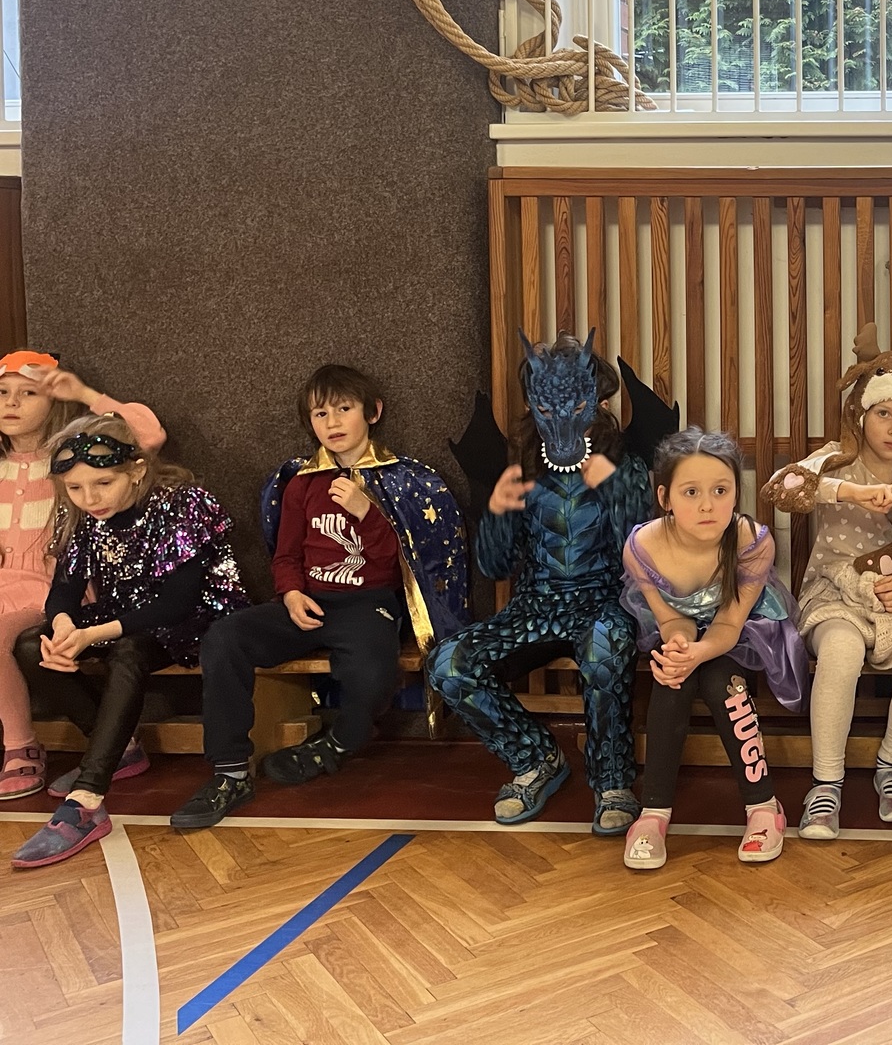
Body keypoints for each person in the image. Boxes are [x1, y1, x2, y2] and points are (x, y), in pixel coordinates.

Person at [170, 364, 470, 830]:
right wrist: (290, 593)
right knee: (225, 638)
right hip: (308, 601)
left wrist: (367, 512)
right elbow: (286, 554)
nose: (332, 423)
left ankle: (338, 744)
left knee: (372, 671)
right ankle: (230, 773)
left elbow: (404, 561)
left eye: (344, 409)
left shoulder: (399, 480)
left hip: (368, 602)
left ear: (373, 412)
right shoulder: (301, 483)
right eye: (320, 414)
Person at [426, 332, 670, 833]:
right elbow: (495, 566)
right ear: (533, 407)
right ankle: (535, 759)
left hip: (604, 602)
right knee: (448, 662)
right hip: (534, 606)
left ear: (597, 402)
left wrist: (616, 490)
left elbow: (644, 556)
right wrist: (497, 514)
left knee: (605, 646)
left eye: (575, 406)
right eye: (546, 408)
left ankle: (612, 780)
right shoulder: (521, 471)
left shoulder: (623, 465)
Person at [11, 414, 247, 867]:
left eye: (103, 484)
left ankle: (86, 800)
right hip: (122, 614)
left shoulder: (183, 503)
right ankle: (123, 751)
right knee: (30, 645)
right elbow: (65, 587)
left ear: (136, 470)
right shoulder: (84, 516)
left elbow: (178, 602)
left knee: (129, 651)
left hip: (196, 618)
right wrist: (62, 625)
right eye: (75, 488)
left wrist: (92, 633)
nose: (89, 499)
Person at [762, 325, 892, 841]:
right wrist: (849, 492)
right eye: (883, 413)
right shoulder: (836, 459)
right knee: (842, 653)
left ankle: (891, 766)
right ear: (861, 413)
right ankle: (826, 782)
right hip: (835, 594)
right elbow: (780, 489)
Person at [622, 429, 804, 869]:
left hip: (742, 630)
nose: (707, 505)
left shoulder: (751, 541)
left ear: (736, 493)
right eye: (691, 492)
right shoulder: (642, 547)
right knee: (671, 681)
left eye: (720, 491)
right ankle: (653, 813)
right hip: (683, 628)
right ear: (664, 497)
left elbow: (728, 624)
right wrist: (679, 650)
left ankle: (764, 806)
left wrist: (701, 653)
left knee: (723, 679)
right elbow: (671, 618)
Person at [0, 353, 164, 803]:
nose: (11, 403)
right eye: (3, 393)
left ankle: (20, 746)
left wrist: (86, 395)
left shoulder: (70, 456)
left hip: (48, 587)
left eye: (27, 393)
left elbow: (148, 435)